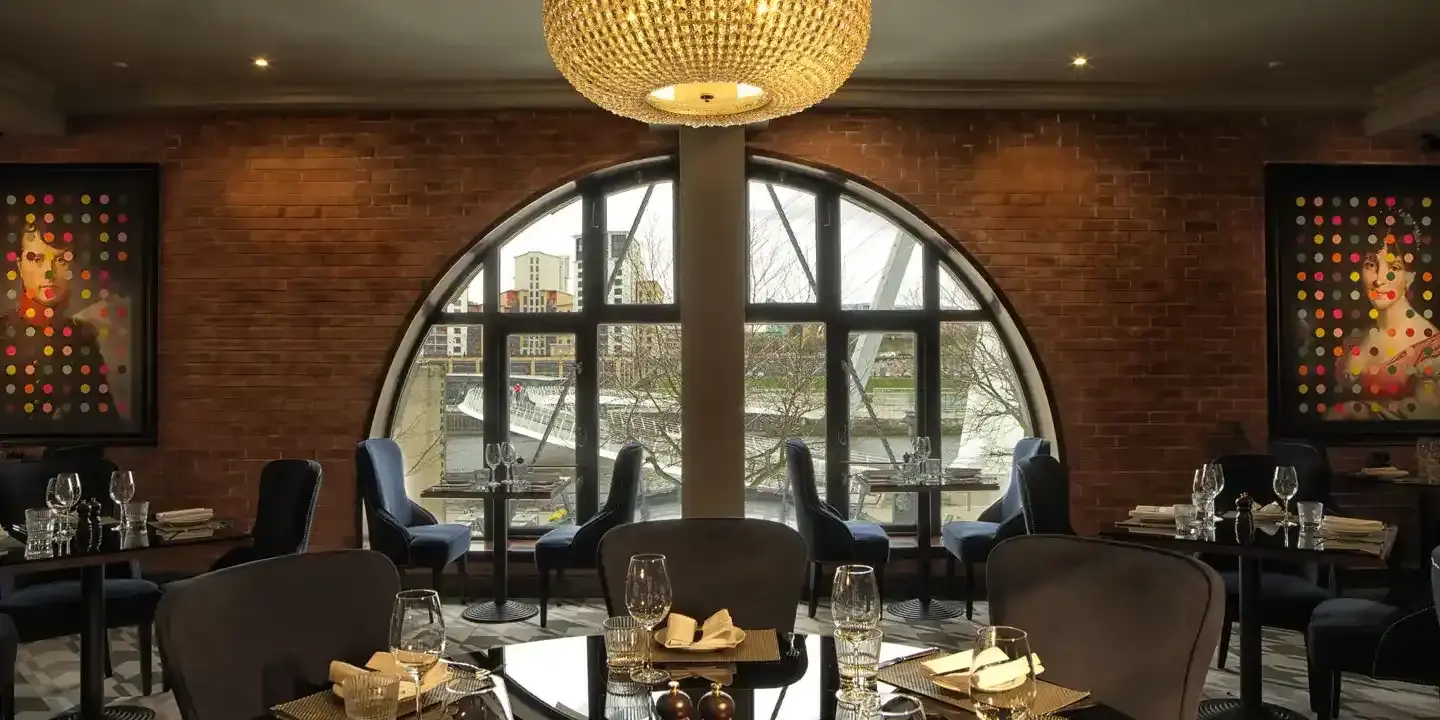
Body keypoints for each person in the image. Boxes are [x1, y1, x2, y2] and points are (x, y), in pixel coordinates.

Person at [0, 221, 117, 431]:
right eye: (36, 259)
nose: (49, 274)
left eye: (60, 260)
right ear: (18, 266)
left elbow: (105, 422)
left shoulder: (83, 337)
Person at [1331, 210, 1440, 420]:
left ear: (1410, 276)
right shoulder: (1355, 338)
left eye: (1393, 267)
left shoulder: (1430, 348)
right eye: (1371, 265)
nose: (1379, 279)